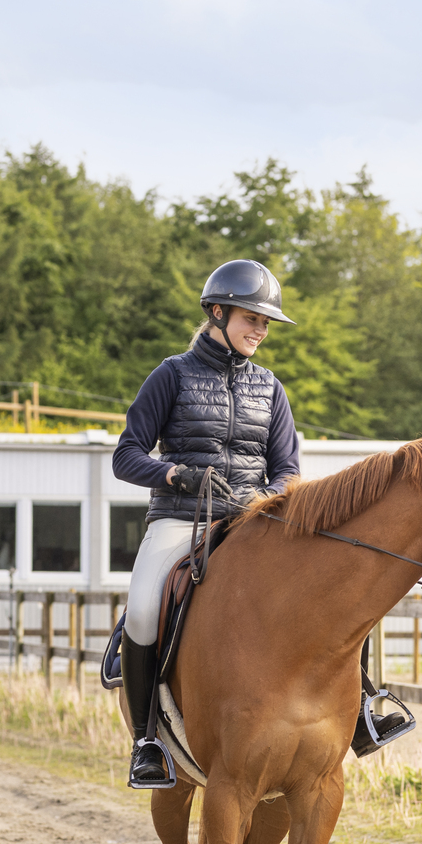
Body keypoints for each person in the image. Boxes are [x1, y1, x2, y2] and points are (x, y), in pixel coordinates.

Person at [111, 259, 302, 788]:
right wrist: (175, 474)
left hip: (251, 524)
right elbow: (125, 456)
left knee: (325, 587)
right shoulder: (170, 375)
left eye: (265, 324)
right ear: (217, 313)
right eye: (251, 319)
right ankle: (148, 739)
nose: (260, 332)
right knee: (145, 609)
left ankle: (362, 708)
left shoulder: (271, 388)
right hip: (180, 520)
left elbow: (287, 470)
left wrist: (263, 499)